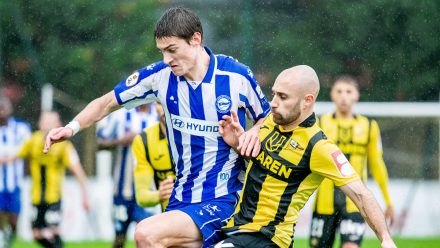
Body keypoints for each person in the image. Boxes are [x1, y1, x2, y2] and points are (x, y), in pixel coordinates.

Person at [43, 7, 270, 247]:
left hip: (226, 197)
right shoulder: (160, 77)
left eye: (172, 50)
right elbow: (107, 102)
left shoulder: (236, 76)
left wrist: (253, 132)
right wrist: (71, 128)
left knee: (146, 233)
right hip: (181, 198)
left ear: (196, 39)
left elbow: (266, 118)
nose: (166, 59)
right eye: (162, 51)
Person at [216, 65, 396, 248]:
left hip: (268, 237)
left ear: (307, 100)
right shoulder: (270, 121)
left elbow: (360, 193)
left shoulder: (318, 146)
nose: (274, 103)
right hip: (237, 227)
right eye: (274, 94)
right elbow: (261, 163)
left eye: (283, 97)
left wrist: (385, 239)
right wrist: (236, 143)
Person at [309, 75, 394, 248]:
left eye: (349, 91)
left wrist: (388, 201)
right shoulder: (320, 123)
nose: (344, 96)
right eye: (339, 91)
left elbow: (377, 164)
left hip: (355, 202)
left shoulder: (369, 126)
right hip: (324, 202)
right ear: (332, 95)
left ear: (356, 95)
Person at [18, 112, 90, 248]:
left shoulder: (65, 146)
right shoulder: (32, 141)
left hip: (54, 197)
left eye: (51, 122)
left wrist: (85, 195)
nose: (47, 125)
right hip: (36, 197)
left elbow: (78, 171)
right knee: (36, 235)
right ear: (39, 124)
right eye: (45, 121)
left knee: (54, 231)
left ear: (58, 125)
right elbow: (15, 156)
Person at [96, 103, 157, 248]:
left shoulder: (159, 114)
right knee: (119, 236)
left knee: (147, 236)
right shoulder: (121, 115)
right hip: (123, 189)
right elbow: (100, 144)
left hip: (150, 191)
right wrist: (120, 141)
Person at [132, 102, 175, 212]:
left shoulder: (203, 133)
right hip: (170, 220)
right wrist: (160, 194)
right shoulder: (144, 140)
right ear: (155, 105)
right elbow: (141, 196)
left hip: (209, 219)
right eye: (161, 103)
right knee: (141, 229)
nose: (166, 108)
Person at [0, 96, 31, 248]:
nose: (2, 110)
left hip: (15, 183)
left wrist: (13, 158)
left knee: (13, 218)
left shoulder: (21, 128)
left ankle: (8, 239)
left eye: (4, 106)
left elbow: (30, 149)